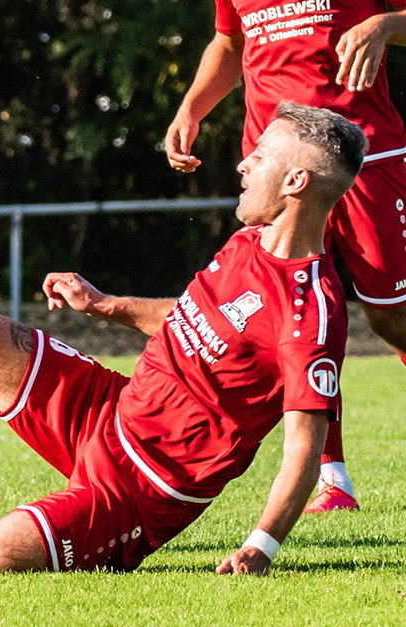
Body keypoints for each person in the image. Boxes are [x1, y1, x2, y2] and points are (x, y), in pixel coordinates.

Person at [0, 103, 364, 575]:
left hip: (141, 489)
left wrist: (262, 547)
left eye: (257, 156)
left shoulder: (311, 311)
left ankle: (38, 538)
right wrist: (103, 305)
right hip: (109, 410)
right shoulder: (248, 244)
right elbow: (194, 318)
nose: (242, 164)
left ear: (295, 181)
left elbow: (303, 448)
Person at [164, 0, 406, 512]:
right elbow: (230, 44)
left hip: (367, 155)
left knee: (391, 317)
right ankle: (331, 479)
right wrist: (191, 108)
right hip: (275, 167)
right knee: (289, 314)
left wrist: (385, 25)